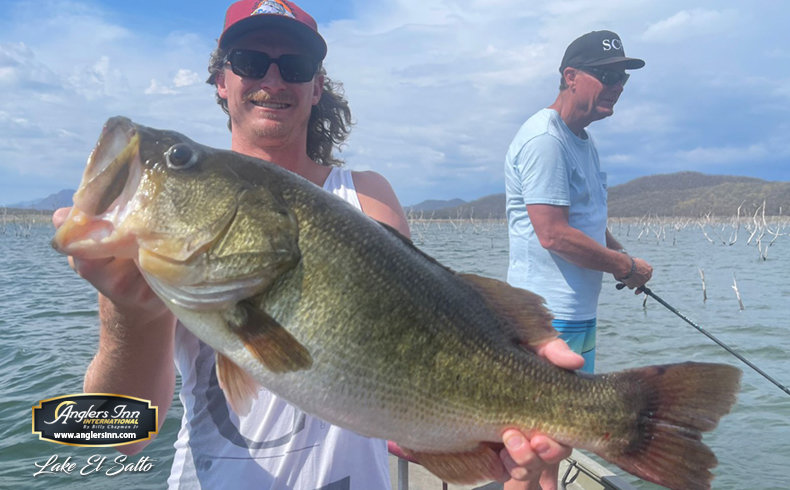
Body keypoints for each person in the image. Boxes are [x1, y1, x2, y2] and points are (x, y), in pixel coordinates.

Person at [54, 1, 584, 488]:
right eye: (250, 60)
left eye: (296, 66)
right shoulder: (158, 254)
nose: (272, 79)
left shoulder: (368, 197)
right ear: (221, 79)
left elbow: (423, 358)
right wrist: (128, 314)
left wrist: (500, 436)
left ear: (316, 86)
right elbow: (121, 436)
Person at [505, 30, 653, 378]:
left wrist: (624, 261)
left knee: (572, 429)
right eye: (607, 76)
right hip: (547, 320)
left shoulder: (583, 141)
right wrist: (624, 265)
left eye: (622, 78)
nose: (618, 86)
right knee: (554, 429)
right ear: (570, 77)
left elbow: (587, 221)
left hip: (577, 315)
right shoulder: (545, 139)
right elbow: (553, 235)